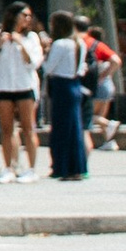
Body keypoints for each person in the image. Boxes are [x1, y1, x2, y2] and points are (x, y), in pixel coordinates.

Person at [0, 1, 44, 180]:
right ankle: (8, 167)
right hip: (4, 86)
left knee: (28, 127)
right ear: (13, 15)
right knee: (7, 128)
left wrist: (21, 44)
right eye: (24, 15)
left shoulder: (31, 37)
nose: (27, 19)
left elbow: (34, 62)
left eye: (29, 16)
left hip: (24, 85)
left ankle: (32, 169)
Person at [41, 13, 88, 180]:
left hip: (61, 85)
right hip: (75, 84)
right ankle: (76, 167)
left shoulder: (60, 44)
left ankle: (62, 167)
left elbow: (48, 68)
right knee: (75, 128)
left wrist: (45, 52)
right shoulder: (79, 43)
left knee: (61, 128)